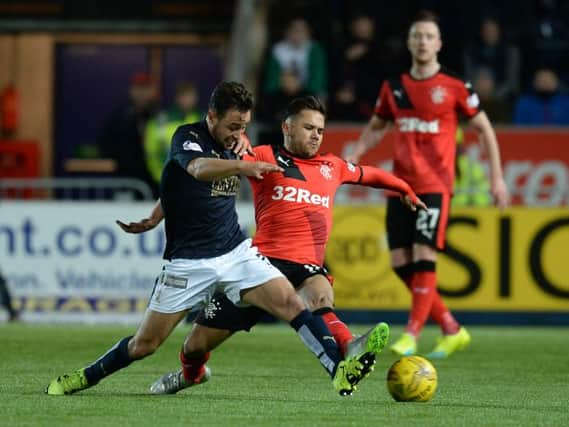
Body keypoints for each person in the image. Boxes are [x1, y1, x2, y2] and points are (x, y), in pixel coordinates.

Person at [45, 82, 381, 398]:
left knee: (292, 304)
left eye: (243, 125)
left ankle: (338, 369)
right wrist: (241, 167)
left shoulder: (237, 144)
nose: (238, 133)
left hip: (236, 252)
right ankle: (85, 376)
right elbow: (197, 170)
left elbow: (179, 188)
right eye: (232, 125)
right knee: (144, 345)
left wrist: (154, 216)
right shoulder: (187, 137)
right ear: (212, 117)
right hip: (188, 263)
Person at [119, 95, 425, 395]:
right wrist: (156, 216)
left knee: (320, 297)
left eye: (320, 130)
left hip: (307, 265)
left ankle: (349, 345)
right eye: (308, 128)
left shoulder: (332, 166)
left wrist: (405, 189)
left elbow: (370, 174)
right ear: (287, 128)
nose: (316, 135)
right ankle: (190, 374)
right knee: (195, 345)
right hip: (258, 268)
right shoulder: (261, 155)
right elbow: (194, 179)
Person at [346, 11, 510, 359]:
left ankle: (412, 333)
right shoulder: (393, 88)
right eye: (416, 35)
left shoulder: (454, 87)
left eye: (428, 36)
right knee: (399, 260)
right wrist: (356, 153)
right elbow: (377, 126)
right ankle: (451, 327)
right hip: (399, 185)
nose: (422, 41)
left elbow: (484, 130)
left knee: (423, 253)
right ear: (409, 42)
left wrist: (497, 177)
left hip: (435, 185)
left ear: (439, 43)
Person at [98, 72, 159, 198]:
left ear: (152, 91)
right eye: (138, 88)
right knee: (124, 216)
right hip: (126, 180)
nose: (141, 93)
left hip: (155, 183)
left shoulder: (160, 117)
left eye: (145, 88)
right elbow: (105, 144)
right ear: (131, 90)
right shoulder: (119, 117)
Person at [144, 81, 202, 186]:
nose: (187, 100)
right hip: (165, 180)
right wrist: (161, 176)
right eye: (184, 96)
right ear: (177, 98)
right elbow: (151, 152)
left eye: (190, 96)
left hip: (197, 183)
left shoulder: (204, 120)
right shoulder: (161, 122)